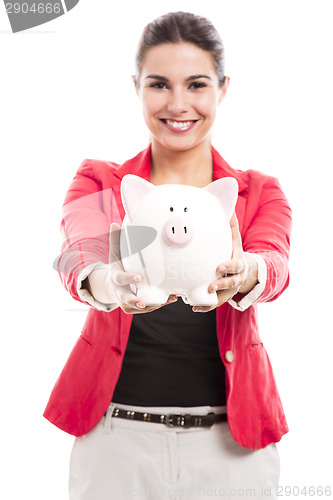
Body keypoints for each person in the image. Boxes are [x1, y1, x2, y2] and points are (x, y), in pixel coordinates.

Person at [44, 11, 292, 500]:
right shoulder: (101, 181)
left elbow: (276, 262)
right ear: (136, 87)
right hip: (115, 444)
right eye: (159, 84)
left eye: (196, 84)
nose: (178, 104)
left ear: (223, 88)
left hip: (231, 449)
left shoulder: (258, 191)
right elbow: (79, 250)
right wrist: (103, 281)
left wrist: (250, 272)